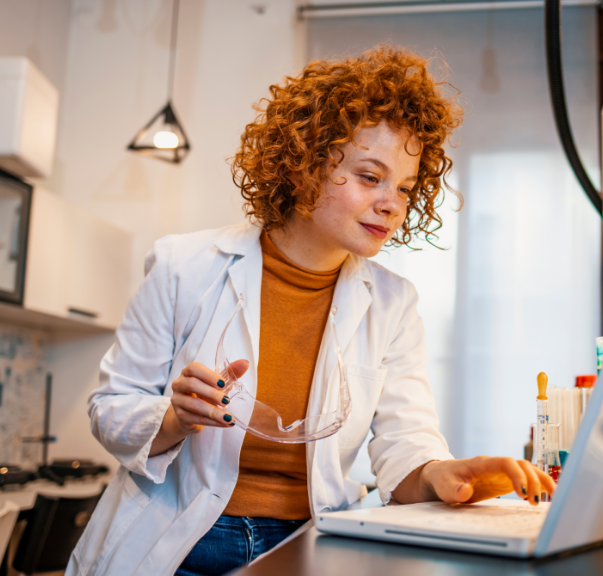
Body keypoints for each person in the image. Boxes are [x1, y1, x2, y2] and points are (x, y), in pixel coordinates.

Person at [66, 47, 555, 576]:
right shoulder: (184, 265)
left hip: (308, 546)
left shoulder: (393, 303)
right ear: (302, 166)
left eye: (406, 188)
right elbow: (111, 409)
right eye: (371, 177)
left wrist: (445, 474)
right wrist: (173, 416)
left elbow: (404, 449)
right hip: (174, 542)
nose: (393, 203)